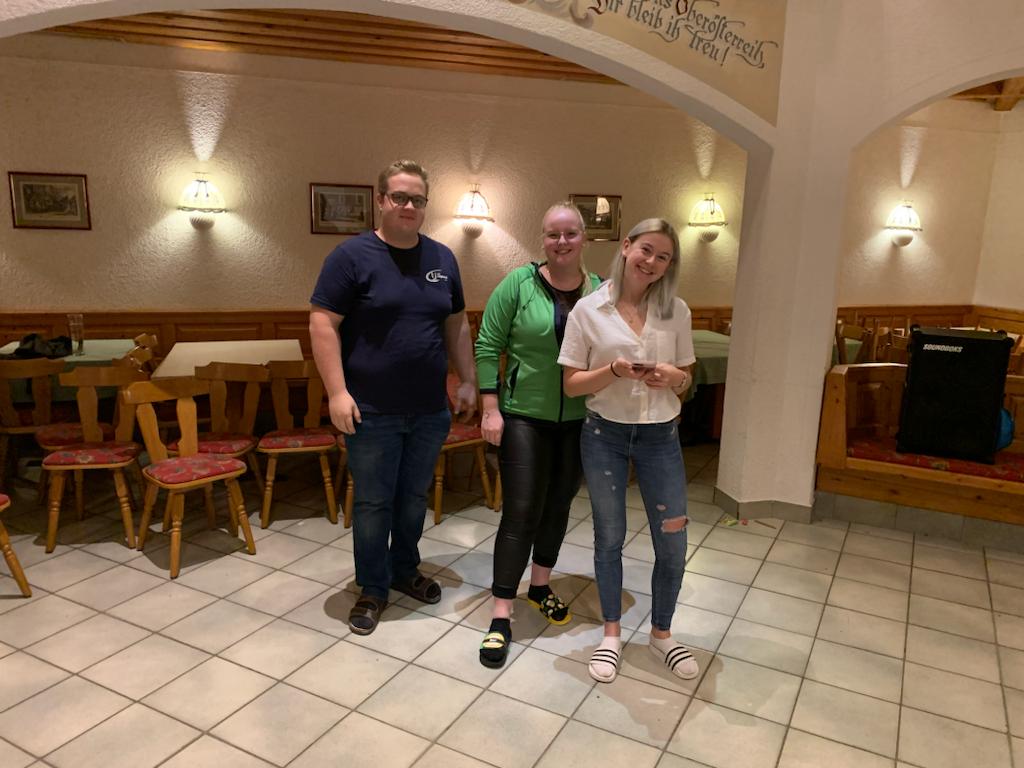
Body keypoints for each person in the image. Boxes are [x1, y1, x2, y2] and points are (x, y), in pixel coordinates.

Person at [309, 159, 477, 636]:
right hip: (370, 410)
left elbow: (457, 323)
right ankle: (373, 586)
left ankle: (404, 569)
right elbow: (322, 324)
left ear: (425, 206)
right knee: (373, 503)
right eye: (399, 197)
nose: (408, 206)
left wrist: (467, 379)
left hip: (428, 409)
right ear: (381, 200)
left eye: (417, 199)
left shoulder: (442, 259)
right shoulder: (350, 256)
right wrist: (337, 392)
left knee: (412, 499)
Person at [558, 217, 699, 683]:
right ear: (626, 247)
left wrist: (675, 378)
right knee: (609, 536)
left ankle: (662, 634)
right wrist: (614, 371)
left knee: (673, 541)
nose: (652, 262)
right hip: (605, 436)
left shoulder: (676, 310)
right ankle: (612, 634)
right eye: (646, 250)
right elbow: (572, 384)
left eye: (664, 257)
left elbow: (686, 378)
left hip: (661, 437)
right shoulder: (588, 310)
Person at [474, 202, 602, 668]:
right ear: (543, 239)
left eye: (570, 233)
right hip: (524, 416)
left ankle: (540, 587)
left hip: (580, 421)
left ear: (583, 237)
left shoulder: (600, 291)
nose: (562, 242)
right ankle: (500, 613)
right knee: (521, 511)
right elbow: (488, 344)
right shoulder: (518, 284)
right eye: (553, 234)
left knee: (558, 506)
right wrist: (491, 408)